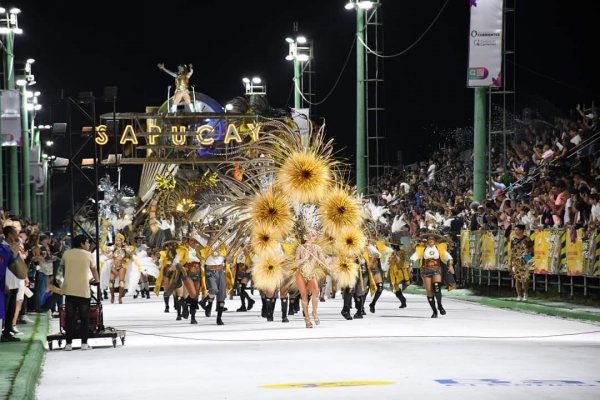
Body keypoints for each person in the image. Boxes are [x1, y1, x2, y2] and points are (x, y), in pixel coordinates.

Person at [60, 235, 99, 351]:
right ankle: (84, 343)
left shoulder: (66, 254)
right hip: (83, 290)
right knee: (84, 317)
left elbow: (63, 270)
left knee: (70, 317)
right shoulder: (88, 255)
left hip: (69, 290)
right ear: (82, 244)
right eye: (87, 243)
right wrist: (96, 280)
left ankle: (68, 344)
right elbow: (94, 270)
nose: (88, 245)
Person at [410, 232, 454, 318]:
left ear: (435, 240)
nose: (431, 240)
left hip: (436, 270)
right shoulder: (422, 249)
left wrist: (450, 265)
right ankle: (434, 311)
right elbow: (414, 257)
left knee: (437, 287)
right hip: (426, 271)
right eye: (429, 239)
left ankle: (440, 305)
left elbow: (448, 257)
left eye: (432, 239)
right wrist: (410, 266)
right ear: (427, 240)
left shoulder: (439, 248)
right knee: (429, 291)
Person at [294, 230, 328, 328]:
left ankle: (314, 313)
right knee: (304, 296)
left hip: (311, 273)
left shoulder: (317, 248)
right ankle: (307, 319)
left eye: (315, 235)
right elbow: (296, 262)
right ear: (308, 236)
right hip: (301, 273)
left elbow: (322, 260)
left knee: (315, 292)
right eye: (313, 236)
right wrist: (304, 259)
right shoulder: (300, 248)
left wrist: (329, 267)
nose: (315, 237)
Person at [509, 224, 534, 301]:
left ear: (522, 230)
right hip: (516, 260)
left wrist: (527, 252)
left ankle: (526, 293)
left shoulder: (527, 239)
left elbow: (532, 250)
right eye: (515, 229)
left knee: (525, 277)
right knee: (517, 278)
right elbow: (512, 252)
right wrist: (510, 262)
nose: (515, 231)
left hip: (526, 258)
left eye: (517, 229)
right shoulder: (513, 240)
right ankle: (519, 295)